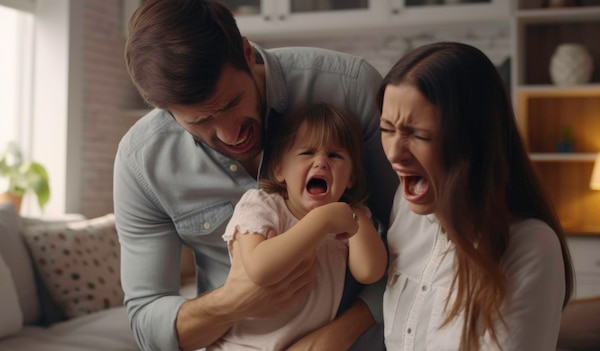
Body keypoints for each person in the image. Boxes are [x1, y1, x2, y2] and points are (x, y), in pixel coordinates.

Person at [115, 0, 397, 350]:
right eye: (200, 122)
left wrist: (334, 336)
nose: (231, 135)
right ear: (165, 111)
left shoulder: (351, 89)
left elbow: (417, 243)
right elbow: (148, 320)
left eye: (231, 103)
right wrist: (234, 301)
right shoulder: (141, 162)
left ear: (247, 53)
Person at [377, 42, 574, 351]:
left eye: (418, 135)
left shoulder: (530, 247)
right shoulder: (404, 207)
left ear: (470, 140)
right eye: (386, 129)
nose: (394, 153)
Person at [213, 103, 387, 350]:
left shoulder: (348, 218)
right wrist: (320, 221)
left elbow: (370, 271)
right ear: (279, 169)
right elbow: (260, 270)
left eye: (335, 156)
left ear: (350, 179)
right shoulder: (262, 205)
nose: (321, 163)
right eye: (307, 153)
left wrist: (355, 214)